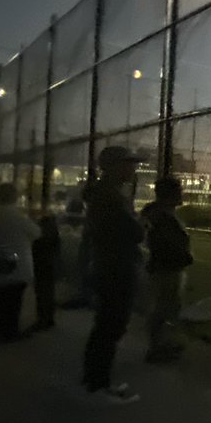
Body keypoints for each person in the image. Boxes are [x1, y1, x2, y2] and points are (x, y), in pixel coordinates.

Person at [81, 146, 144, 404]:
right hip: (116, 267)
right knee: (110, 326)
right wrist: (140, 223)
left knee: (106, 325)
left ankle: (94, 379)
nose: (133, 169)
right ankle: (99, 385)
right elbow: (135, 233)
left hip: (109, 265)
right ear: (114, 166)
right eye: (129, 164)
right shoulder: (110, 196)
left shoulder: (106, 193)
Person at [140, 177, 192, 363]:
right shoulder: (161, 216)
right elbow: (166, 243)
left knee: (167, 308)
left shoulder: (159, 213)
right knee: (163, 308)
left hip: (167, 266)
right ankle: (157, 347)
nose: (182, 193)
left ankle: (163, 344)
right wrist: (184, 256)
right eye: (179, 190)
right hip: (166, 267)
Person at [0, 183, 41, 342]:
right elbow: (36, 233)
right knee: (12, 301)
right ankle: (9, 332)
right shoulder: (17, 215)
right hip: (17, 263)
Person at [28, 213, 60, 331]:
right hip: (49, 267)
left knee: (41, 293)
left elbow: (35, 252)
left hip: (41, 267)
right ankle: (48, 318)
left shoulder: (40, 240)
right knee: (48, 293)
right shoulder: (54, 238)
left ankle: (43, 319)